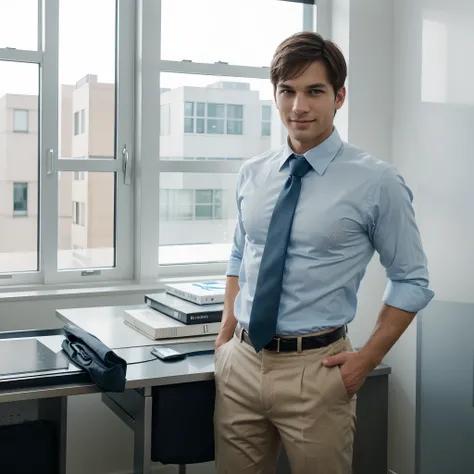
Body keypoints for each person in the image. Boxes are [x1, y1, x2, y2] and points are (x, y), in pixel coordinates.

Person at [213, 31, 434, 474]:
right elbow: (242, 254)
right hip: (240, 365)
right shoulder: (253, 173)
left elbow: (411, 279)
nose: (299, 107)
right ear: (275, 96)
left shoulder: (377, 182)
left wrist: (366, 362)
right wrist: (224, 339)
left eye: (314, 91)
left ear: (339, 97)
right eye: (287, 92)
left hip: (317, 371)